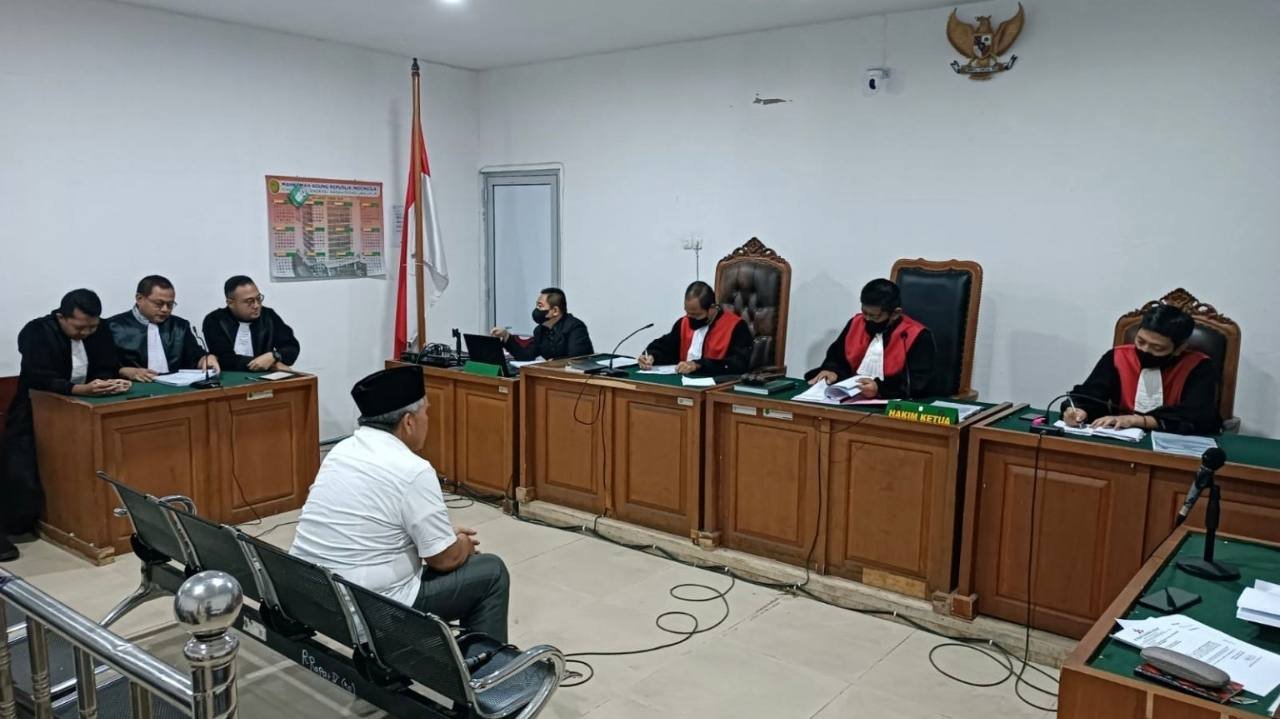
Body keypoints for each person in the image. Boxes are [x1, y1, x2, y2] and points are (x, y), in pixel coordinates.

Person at [290, 366, 510, 641]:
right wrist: (462, 544)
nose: (428, 420)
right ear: (408, 422)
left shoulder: (340, 452)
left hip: (311, 595)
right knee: (491, 572)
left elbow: (372, 524)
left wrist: (442, 538)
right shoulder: (413, 469)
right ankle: (486, 662)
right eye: (426, 412)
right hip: (368, 609)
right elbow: (445, 560)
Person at [1, 290, 130, 561]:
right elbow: (38, 376)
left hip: (84, 412)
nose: (86, 333)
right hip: (34, 411)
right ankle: (13, 528)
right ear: (61, 317)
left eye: (92, 327)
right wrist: (77, 389)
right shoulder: (36, 332)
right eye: (80, 328)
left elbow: (107, 364)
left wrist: (108, 382)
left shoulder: (99, 330)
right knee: (21, 475)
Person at [1062, 304, 1221, 435]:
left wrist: (1135, 420)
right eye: (1141, 341)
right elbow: (1089, 396)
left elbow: (1198, 416)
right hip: (1120, 435)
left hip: (1173, 441)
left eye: (1157, 348)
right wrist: (1079, 411)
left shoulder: (1198, 366)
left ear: (1179, 348)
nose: (1145, 350)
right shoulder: (1117, 357)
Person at [804, 279, 936, 399]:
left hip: (891, 401)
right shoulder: (856, 323)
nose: (867, 319)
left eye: (874, 316)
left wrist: (880, 389)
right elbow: (837, 358)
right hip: (851, 396)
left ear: (895, 314)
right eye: (864, 312)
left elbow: (917, 382)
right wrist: (832, 371)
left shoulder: (917, 335)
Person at [107, 275, 219, 382]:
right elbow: (103, 368)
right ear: (139, 298)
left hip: (177, 387)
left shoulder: (180, 326)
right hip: (135, 388)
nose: (165, 309)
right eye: (158, 303)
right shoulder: (113, 327)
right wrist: (124, 371)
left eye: (170, 304)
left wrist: (206, 359)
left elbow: (195, 356)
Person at [638, 280, 753, 375]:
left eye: (696, 315)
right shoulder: (684, 323)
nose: (690, 319)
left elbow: (739, 363)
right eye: (688, 313)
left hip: (716, 386)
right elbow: (666, 347)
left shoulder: (736, 327)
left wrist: (698, 365)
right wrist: (651, 356)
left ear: (712, 308)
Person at [202, 275, 300, 372]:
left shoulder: (268, 316)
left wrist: (274, 356)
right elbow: (224, 359)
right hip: (228, 377)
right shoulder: (215, 320)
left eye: (258, 298)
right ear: (230, 303)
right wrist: (270, 365)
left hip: (265, 377)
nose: (256, 305)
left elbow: (291, 347)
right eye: (249, 301)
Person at [489, 287, 593, 361]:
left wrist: (555, 362)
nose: (536, 310)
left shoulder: (575, 327)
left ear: (555, 311)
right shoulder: (540, 330)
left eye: (540, 306)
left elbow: (578, 359)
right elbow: (526, 356)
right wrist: (506, 336)